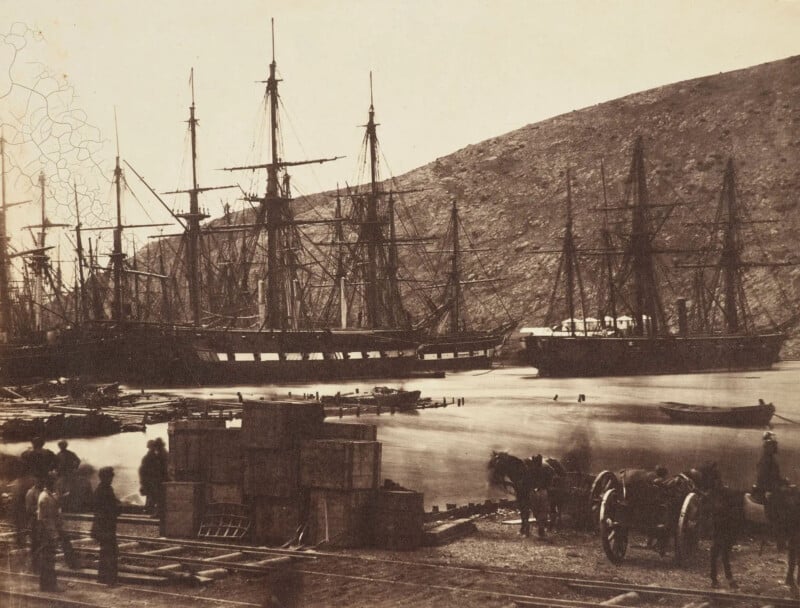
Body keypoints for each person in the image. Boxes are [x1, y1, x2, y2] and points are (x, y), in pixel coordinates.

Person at [92, 466, 120, 585]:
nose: (112, 478)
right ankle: (110, 579)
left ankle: (102, 578)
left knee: (106, 552)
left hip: (103, 526)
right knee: (110, 552)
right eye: (110, 476)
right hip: (105, 526)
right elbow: (110, 508)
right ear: (105, 477)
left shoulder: (102, 489)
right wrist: (118, 507)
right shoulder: (105, 490)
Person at [37, 473, 61, 591]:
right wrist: (53, 534)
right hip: (47, 532)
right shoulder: (45, 497)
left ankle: (48, 585)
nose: (56, 483)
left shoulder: (49, 495)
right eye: (54, 481)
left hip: (48, 531)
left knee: (49, 559)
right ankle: (48, 586)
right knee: (48, 559)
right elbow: (45, 518)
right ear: (50, 482)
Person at [55, 440, 80, 512]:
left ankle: (70, 507)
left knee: (69, 491)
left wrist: (75, 468)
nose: (61, 447)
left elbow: (78, 461)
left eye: (63, 445)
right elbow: (55, 464)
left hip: (69, 475)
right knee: (61, 492)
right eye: (60, 445)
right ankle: (63, 507)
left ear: (65, 446)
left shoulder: (70, 454)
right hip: (61, 475)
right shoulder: (58, 455)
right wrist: (56, 470)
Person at [25, 478, 44, 574]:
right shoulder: (31, 492)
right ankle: (35, 567)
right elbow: (29, 509)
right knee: (35, 545)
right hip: (34, 523)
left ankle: (39, 566)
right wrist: (39, 508)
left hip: (41, 523)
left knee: (41, 545)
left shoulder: (42, 491)